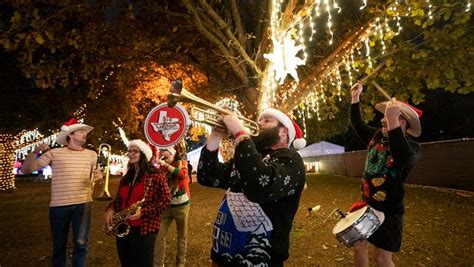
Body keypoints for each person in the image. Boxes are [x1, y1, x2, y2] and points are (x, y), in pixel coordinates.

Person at [197, 108, 307, 266]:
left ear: (283, 132)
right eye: (260, 119)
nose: (259, 123)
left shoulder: (291, 159)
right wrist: (215, 136)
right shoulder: (249, 157)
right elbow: (207, 176)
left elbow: (260, 187)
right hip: (221, 255)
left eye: (267, 121)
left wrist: (240, 133)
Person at [349, 82, 422, 267]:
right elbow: (358, 124)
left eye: (389, 116)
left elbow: (401, 157)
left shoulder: (412, 147)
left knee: (382, 258)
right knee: (358, 247)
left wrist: (393, 123)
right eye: (385, 116)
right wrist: (355, 99)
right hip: (366, 206)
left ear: (402, 122)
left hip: (389, 213)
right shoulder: (376, 136)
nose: (383, 119)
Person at [21, 118, 103, 267]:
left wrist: (99, 176)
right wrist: (36, 151)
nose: (85, 134)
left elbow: (95, 173)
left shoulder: (92, 154)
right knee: (59, 246)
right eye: (81, 131)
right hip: (59, 205)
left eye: (85, 132)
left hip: (84, 204)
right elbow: (25, 170)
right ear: (70, 135)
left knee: (82, 244)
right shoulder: (55, 153)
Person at [105, 139, 171, 267]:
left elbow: (165, 200)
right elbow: (119, 199)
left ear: (144, 154)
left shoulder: (156, 175)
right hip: (123, 226)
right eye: (129, 151)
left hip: (145, 229)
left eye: (135, 151)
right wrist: (110, 209)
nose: (131, 154)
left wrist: (143, 212)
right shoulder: (127, 177)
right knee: (126, 263)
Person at [154, 142, 191, 267]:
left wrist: (164, 164)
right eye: (162, 151)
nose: (163, 154)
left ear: (172, 153)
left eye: (166, 152)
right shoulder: (162, 167)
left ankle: (180, 263)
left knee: (182, 236)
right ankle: (158, 264)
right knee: (158, 236)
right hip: (166, 207)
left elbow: (181, 175)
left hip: (181, 205)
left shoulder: (182, 163)